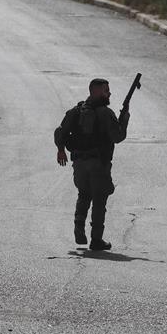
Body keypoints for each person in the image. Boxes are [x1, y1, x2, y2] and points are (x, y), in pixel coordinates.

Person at [54, 78, 130, 251]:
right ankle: (96, 239)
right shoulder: (105, 113)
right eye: (105, 90)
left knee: (83, 194)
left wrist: (60, 150)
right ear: (95, 92)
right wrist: (124, 118)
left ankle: (79, 227)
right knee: (99, 199)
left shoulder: (76, 111)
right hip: (98, 163)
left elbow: (60, 131)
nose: (109, 93)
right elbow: (118, 137)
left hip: (79, 163)